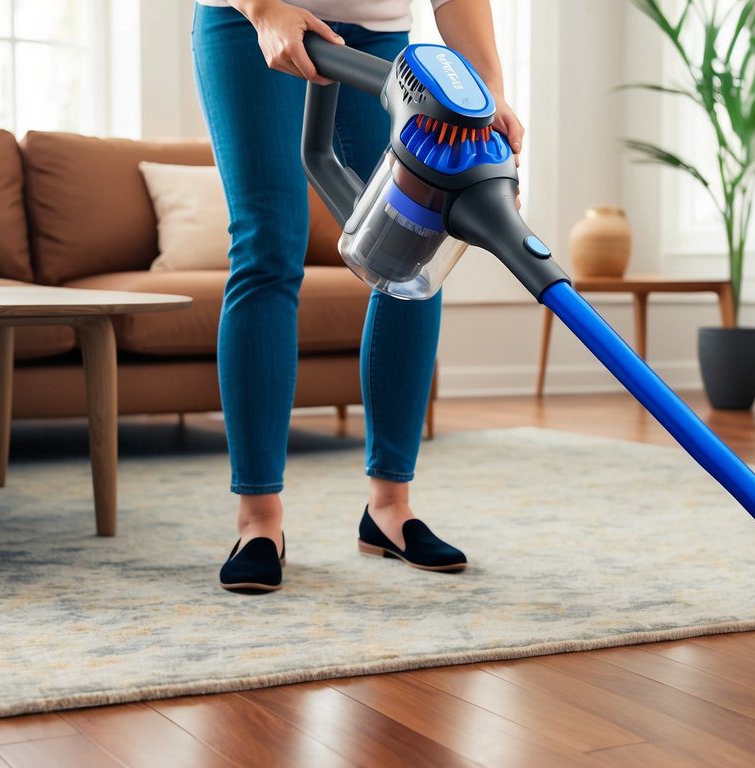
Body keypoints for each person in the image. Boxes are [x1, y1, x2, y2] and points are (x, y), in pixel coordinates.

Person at [192, 0, 524, 592]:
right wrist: (263, 9)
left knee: (416, 239)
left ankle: (389, 509)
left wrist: (487, 88)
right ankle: (258, 520)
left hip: (380, 37)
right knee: (268, 244)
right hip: (251, 25)